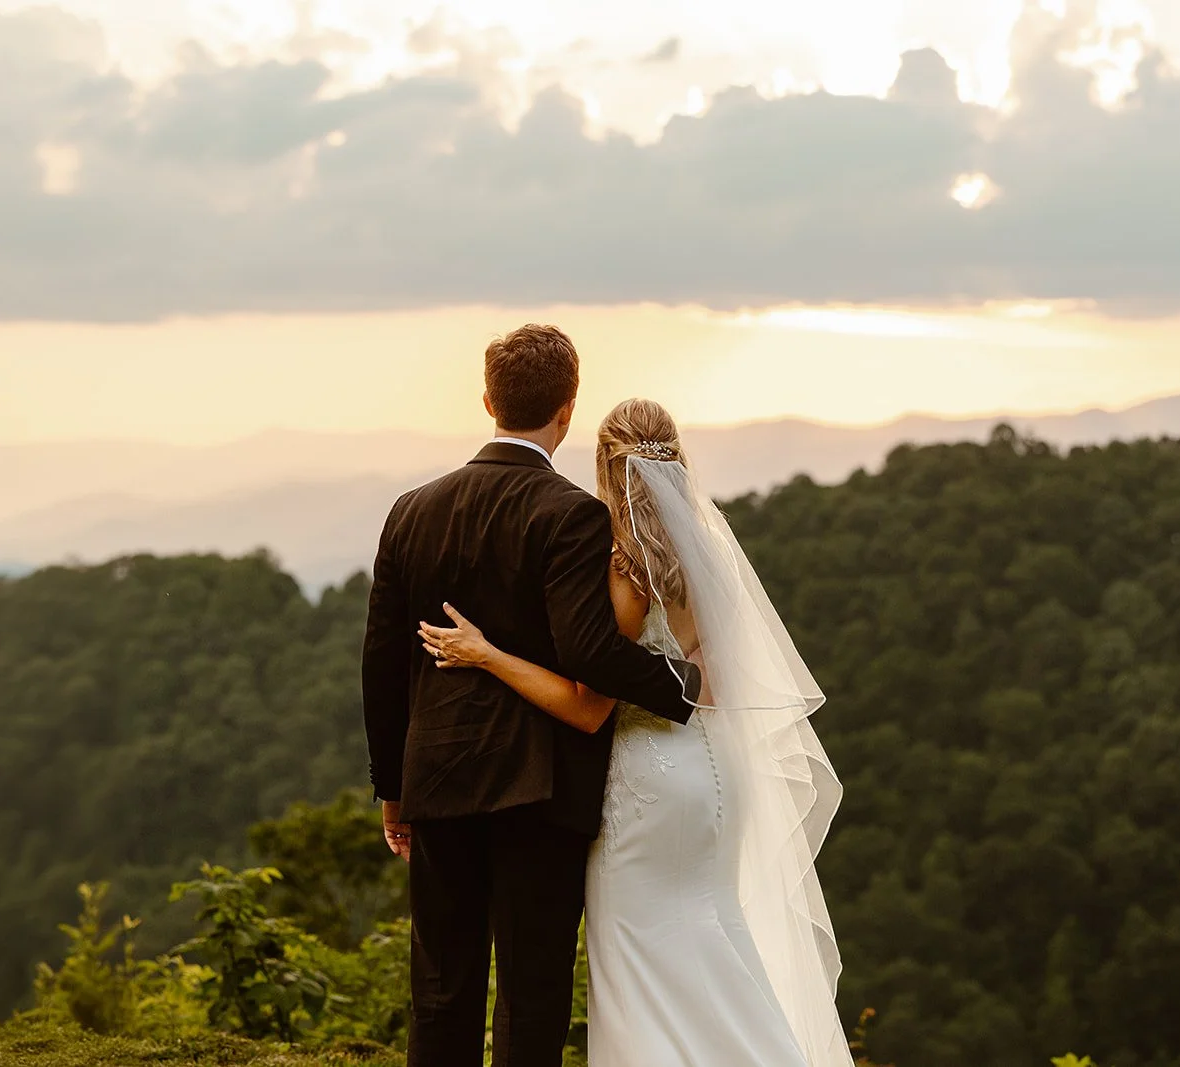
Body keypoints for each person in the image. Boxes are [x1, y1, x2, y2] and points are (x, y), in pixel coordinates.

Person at [419, 397, 853, 1067]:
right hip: (716, 771)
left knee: (637, 955)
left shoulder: (623, 568)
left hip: (649, 774)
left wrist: (486, 654)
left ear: (604, 463)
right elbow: (712, 684)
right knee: (713, 933)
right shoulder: (705, 551)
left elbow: (588, 706)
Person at [361, 326, 705, 1067]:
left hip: (439, 777)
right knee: (531, 993)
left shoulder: (409, 510)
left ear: (487, 399)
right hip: (540, 790)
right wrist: (684, 687)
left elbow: (383, 663)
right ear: (568, 408)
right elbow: (587, 649)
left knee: (441, 989)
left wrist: (393, 789)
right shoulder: (572, 513)